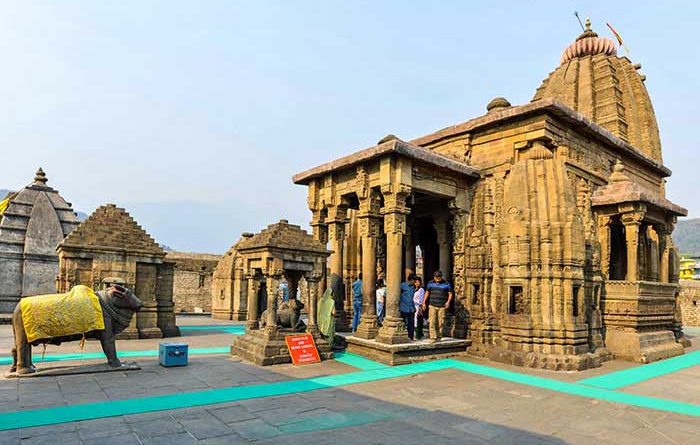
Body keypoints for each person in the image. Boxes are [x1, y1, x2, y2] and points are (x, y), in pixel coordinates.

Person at [422, 270, 453, 343]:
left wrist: (448, 302)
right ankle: (433, 337)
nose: (437, 279)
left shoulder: (446, 284)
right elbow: (427, 292)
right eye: (436, 277)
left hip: (441, 305)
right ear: (434, 277)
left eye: (439, 277)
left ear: (441, 277)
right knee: (432, 321)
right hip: (432, 304)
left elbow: (450, 293)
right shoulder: (430, 283)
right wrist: (424, 302)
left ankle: (439, 336)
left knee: (440, 322)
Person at [399, 274, 416, 340]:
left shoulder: (413, 287)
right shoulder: (403, 285)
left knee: (411, 323)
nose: (415, 282)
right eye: (414, 281)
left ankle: (410, 337)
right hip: (403, 307)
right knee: (403, 323)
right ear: (411, 280)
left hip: (411, 308)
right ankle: (402, 336)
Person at [413, 276, 425, 340]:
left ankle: (418, 335)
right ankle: (418, 334)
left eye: (418, 282)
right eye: (415, 282)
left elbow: (421, 298)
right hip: (413, 306)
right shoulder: (414, 289)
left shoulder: (421, 289)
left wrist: (420, 306)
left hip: (418, 306)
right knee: (415, 321)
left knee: (417, 320)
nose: (416, 283)